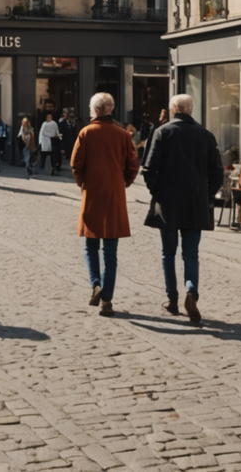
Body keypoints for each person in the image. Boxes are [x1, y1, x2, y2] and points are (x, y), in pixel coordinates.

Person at [141, 95, 219, 324]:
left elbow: (149, 168)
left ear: (174, 109)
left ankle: (173, 299)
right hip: (196, 202)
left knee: (168, 253)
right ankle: (191, 291)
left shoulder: (163, 132)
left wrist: (157, 191)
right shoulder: (206, 135)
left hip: (168, 202)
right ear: (190, 110)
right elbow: (216, 173)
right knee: (191, 253)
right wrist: (206, 195)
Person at [69, 92, 139, 317]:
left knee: (91, 246)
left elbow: (75, 164)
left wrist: (84, 184)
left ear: (95, 110)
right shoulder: (123, 135)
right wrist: (124, 183)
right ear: (110, 109)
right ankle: (107, 300)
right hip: (114, 195)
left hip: (92, 195)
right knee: (111, 251)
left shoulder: (86, 133)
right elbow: (133, 165)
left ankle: (95, 284)